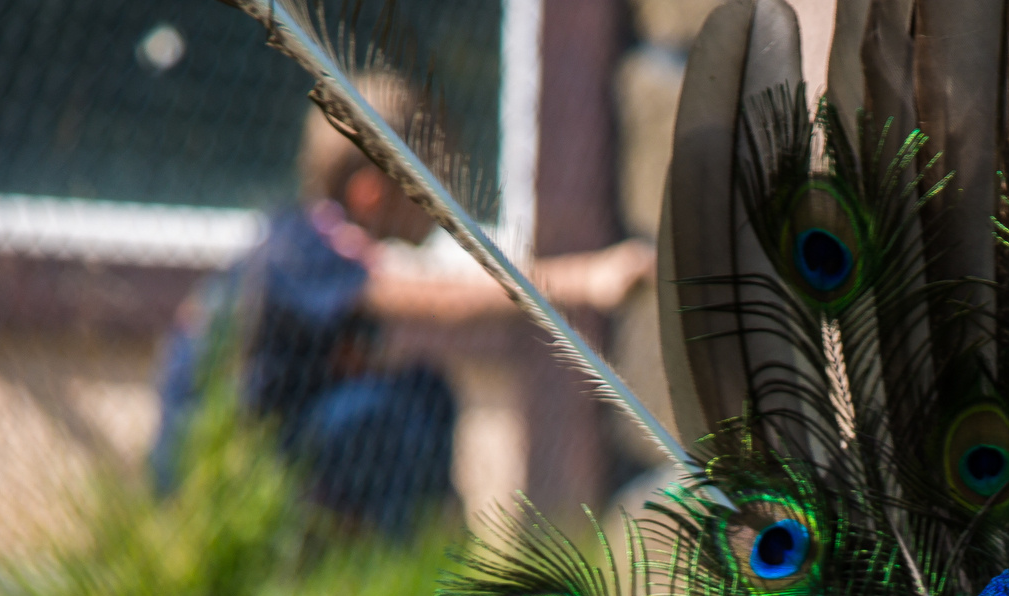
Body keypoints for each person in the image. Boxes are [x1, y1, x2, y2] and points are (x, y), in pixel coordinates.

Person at [152, 80, 653, 536]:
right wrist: (586, 280)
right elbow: (442, 300)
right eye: (427, 188)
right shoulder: (302, 251)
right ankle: (394, 552)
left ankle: (412, 556)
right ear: (371, 192)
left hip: (275, 445)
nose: (441, 209)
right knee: (401, 407)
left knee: (416, 392)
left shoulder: (327, 248)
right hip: (217, 467)